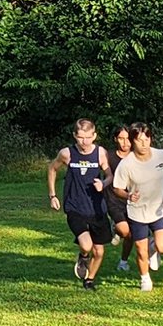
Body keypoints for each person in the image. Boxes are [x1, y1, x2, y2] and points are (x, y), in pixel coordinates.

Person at [45, 118, 113, 290]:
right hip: (75, 206)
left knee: (99, 251)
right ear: (75, 136)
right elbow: (52, 169)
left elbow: (110, 176)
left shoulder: (100, 153)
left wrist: (103, 184)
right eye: (81, 137)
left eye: (88, 137)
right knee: (86, 245)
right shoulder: (67, 153)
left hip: (96, 207)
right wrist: (52, 195)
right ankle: (83, 256)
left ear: (94, 136)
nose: (85, 142)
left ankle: (89, 280)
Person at [112, 122, 163, 292]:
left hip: (160, 209)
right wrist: (128, 195)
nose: (144, 144)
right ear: (132, 141)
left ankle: (154, 248)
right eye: (139, 140)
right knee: (140, 250)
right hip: (137, 212)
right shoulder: (126, 164)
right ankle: (145, 279)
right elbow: (117, 188)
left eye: (147, 139)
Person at [104, 124, 138, 273]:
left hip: (132, 200)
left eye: (128, 139)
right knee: (125, 231)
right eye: (121, 138)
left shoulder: (136, 156)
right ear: (115, 139)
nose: (125, 142)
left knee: (131, 234)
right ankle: (116, 228)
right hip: (113, 199)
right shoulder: (108, 156)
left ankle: (123, 262)